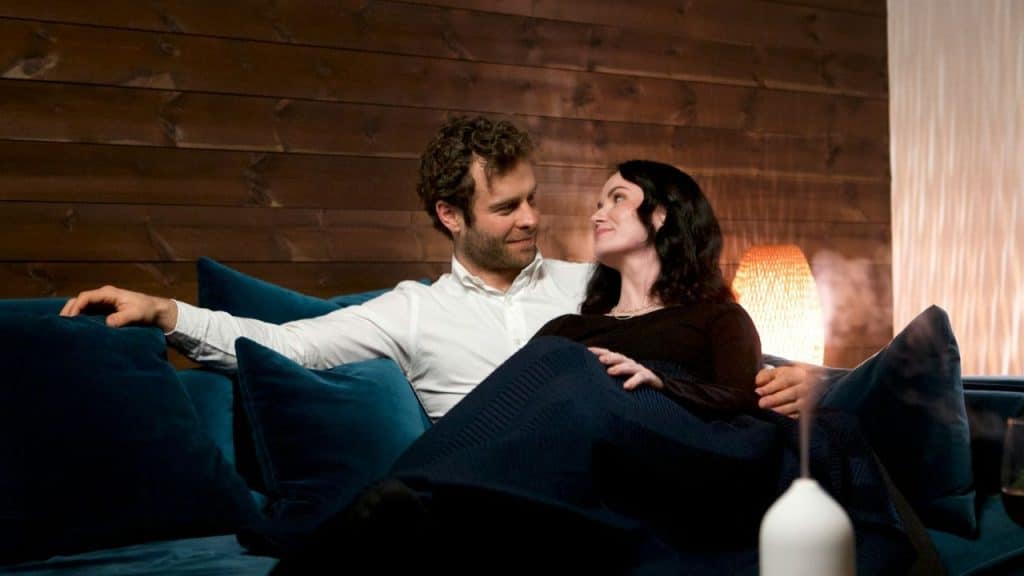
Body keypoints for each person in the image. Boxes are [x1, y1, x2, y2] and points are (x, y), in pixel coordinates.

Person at [269, 161, 916, 574]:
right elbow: (524, 410)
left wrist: (664, 382)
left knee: (563, 364)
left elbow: (739, 397)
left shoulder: (715, 316)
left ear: (659, 217)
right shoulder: (575, 324)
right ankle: (410, 504)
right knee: (558, 358)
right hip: (606, 460)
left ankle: (395, 497)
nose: (596, 211)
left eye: (617, 198)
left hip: (699, 444)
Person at [59, 115, 810, 420]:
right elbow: (283, 346)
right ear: (452, 217)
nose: (532, 220)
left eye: (532, 200)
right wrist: (165, 312)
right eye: (505, 209)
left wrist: (807, 378)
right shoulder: (410, 312)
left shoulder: (591, 285)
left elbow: (706, 348)